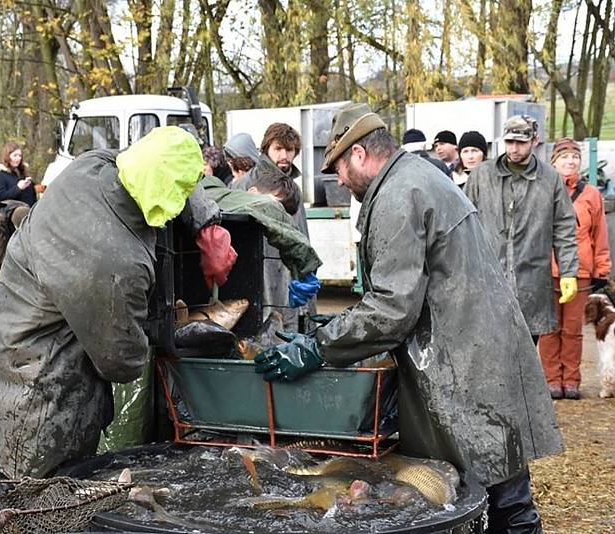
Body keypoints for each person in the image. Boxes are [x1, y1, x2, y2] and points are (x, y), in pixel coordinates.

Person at [255, 103, 562, 533]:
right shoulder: (415, 177)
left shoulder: (398, 194)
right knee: (500, 487)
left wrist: (316, 347)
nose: (339, 181)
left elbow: (392, 308)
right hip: (477, 346)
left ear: (359, 154)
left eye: (338, 168)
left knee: (501, 496)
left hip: (470, 359)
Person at [0, 127, 234, 479]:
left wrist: (206, 222)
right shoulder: (116, 262)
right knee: (42, 505)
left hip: (1, 360)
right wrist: (167, 332)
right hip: (43, 407)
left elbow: (171, 167)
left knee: (13, 484)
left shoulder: (92, 166)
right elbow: (122, 362)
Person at [466, 115, 579, 343]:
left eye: (520, 142)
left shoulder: (550, 180)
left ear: (534, 141)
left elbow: (564, 228)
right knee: (491, 352)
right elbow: (463, 224)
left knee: (526, 352)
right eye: (509, 142)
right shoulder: (482, 176)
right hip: (488, 281)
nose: (514, 149)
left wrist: (568, 271)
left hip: (532, 281)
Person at [538, 138, 611, 400]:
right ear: (553, 162)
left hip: (579, 271)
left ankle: (571, 379)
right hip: (546, 270)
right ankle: (550, 378)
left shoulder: (591, 194)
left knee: (572, 330)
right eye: (565, 157)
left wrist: (601, 269)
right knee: (549, 328)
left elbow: (599, 233)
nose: (570, 161)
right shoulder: (543, 189)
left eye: (575, 157)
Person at [231, 123, 319, 329]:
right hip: (261, 272)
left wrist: (306, 269)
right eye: (278, 149)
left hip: (287, 270)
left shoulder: (291, 186)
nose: (284, 156)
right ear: (266, 149)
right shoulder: (245, 185)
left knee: (289, 329)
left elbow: (301, 232)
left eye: (289, 150)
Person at [0, 142, 37, 207]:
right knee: (21, 212)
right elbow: (0, 197)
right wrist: (18, 188)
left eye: (20, 155)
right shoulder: (0, 175)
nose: (18, 158)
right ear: (7, 156)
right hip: (10, 211)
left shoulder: (22, 173)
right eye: (15, 155)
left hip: (30, 210)